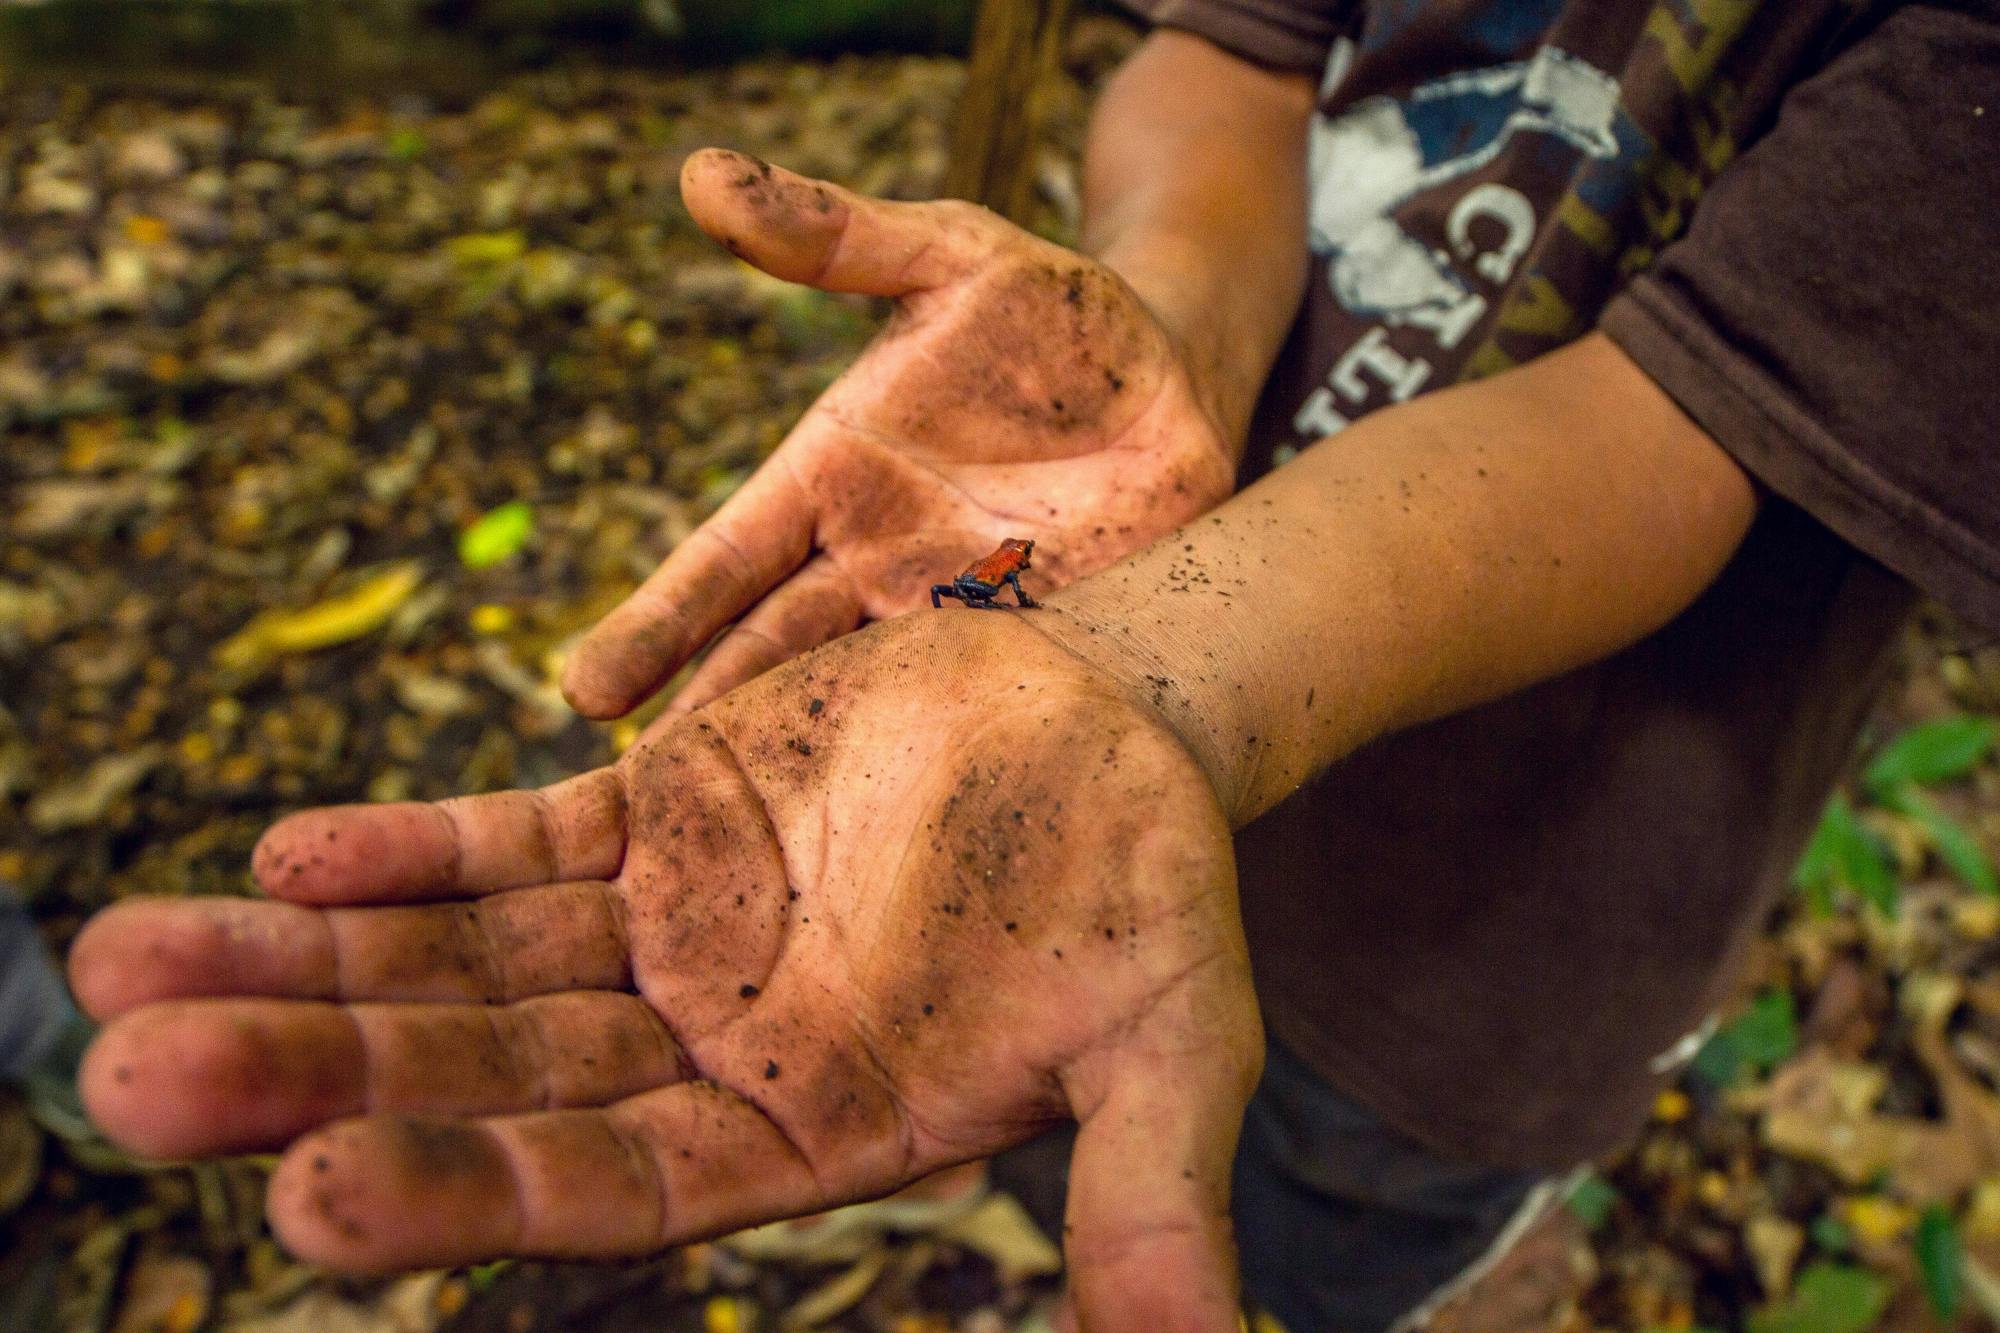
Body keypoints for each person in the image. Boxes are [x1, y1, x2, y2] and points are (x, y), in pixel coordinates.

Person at [63, 2, 1999, 1329]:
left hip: (1506, 911)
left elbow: (1680, 423)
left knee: (1326, 1221)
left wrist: (1146, 673)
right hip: (1099, 814)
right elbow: (1223, 55)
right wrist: (1160, 302)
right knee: (1029, 1057)